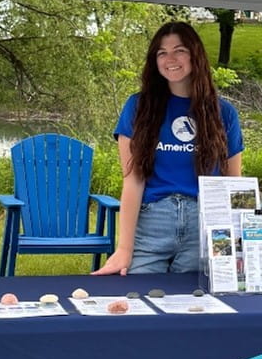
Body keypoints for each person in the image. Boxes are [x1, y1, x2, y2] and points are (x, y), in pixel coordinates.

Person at [93, 20, 243, 275]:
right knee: (138, 303)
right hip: (152, 223)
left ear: (195, 54)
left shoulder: (224, 113)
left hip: (204, 224)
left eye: (180, 50)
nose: (170, 58)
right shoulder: (138, 107)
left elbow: (234, 182)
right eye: (162, 53)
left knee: (197, 307)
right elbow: (132, 181)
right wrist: (124, 249)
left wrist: (240, 246)